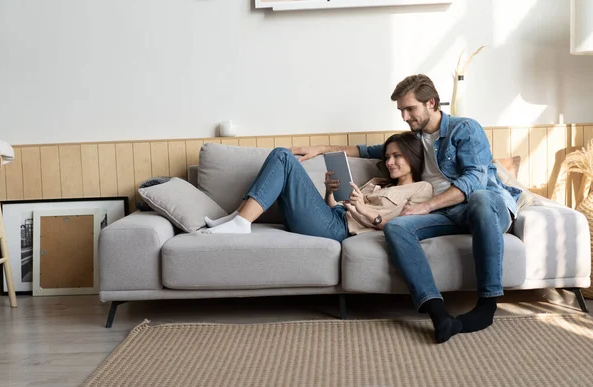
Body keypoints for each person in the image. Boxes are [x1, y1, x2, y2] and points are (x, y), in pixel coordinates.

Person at [290, 74, 522, 344]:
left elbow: (474, 179)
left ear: (431, 103)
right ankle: (437, 313)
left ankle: (487, 304)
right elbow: (368, 150)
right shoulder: (416, 140)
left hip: (485, 208)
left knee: (480, 198)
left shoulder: (465, 129)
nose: (404, 116)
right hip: (447, 214)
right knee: (397, 226)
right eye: (401, 110)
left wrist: (426, 206)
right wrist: (320, 148)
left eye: (410, 109)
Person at [203, 133, 433, 243]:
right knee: (280, 154)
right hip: (333, 217)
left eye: (397, 156)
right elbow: (336, 207)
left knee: (283, 156)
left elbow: (404, 226)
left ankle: (242, 222)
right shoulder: (378, 182)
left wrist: (365, 210)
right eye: (387, 157)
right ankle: (239, 216)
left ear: (412, 158)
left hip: (339, 229)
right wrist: (330, 192)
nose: (390, 162)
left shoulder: (422, 189)